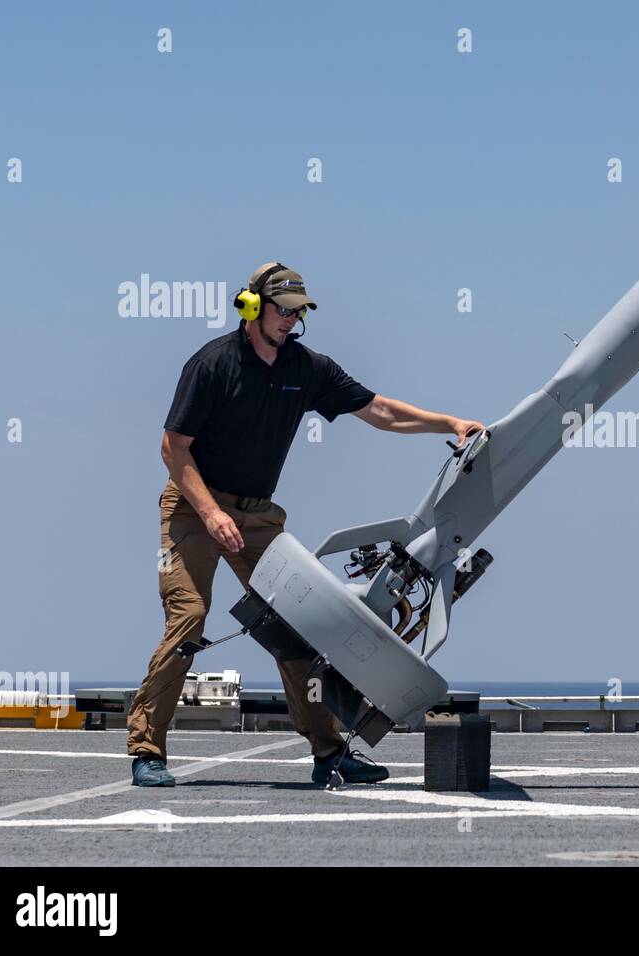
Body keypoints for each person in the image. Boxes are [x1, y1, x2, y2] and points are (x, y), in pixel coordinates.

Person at [127, 262, 484, 788]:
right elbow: (173, 449)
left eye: (300, 313)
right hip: (191, 507)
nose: (293, 321)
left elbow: (379, 410)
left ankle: (329, 753)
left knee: (300, 623)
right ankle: (146, 749)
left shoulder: (307, 368)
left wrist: (449, 422)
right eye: (285, 310)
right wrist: (211, 513)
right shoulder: (211, 365)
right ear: (253, 307)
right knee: (190, 617)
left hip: (259, 514)